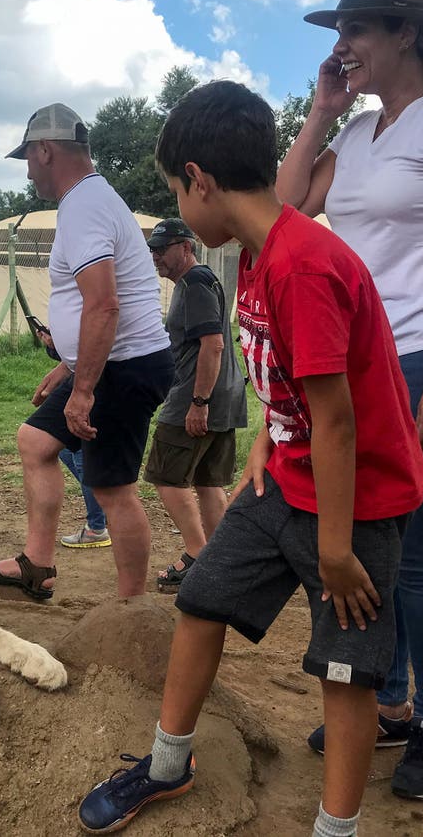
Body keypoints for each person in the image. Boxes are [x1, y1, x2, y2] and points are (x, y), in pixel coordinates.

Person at [77, 81, 423, 837]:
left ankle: (337, 830)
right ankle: (169, 765)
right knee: (201, 600)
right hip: (287, 479)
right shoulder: (263, 259)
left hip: (356, 505)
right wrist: (266, 442)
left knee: (346, 672)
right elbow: (288, 379)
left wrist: (336, 549)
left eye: (177, 190)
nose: (182, 205)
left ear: (199, 180)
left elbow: (337, 421)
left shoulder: (302, 264)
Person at [275, 0, 423, 800]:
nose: (343, 44)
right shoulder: (356, 133)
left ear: (409, 32)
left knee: (416, 555)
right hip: (364, 368)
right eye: (338, 31)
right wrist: (321, 111)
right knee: (382, 543)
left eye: (357, 29)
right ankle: (396, 701)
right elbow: (287, 215)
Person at [0, 103, 174, 600]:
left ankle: (131, 607)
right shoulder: (92, 200)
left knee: (112, 488)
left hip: (123, 369)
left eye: (26, 157)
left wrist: (82, 387)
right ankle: (37, 565)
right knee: (35, 442)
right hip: (108, 362)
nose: (27, 170)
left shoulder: (84, 205)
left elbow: (105, 304)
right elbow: (111, 301)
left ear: (45, 150)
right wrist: (70, 365)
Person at [143, 218, 248, 593]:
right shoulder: (202, 281)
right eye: (153, 249)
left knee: (165, 475)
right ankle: (219, 562)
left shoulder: (195, 283)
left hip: (198, 397)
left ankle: (197, 555)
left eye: (163, 248)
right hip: (223, 398)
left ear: (186, 247)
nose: (155, 255)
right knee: (207, 482)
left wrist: (198, 402)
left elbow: (213, 344)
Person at [28, 320, 112, 550]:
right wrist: (54, 347)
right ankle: (104, 506)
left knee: (79, 455)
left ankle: (97, 526)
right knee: (65, 449)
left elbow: (90, 355)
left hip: (93, 390)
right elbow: (76, 360)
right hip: (87, 386)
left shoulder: (100, 305)